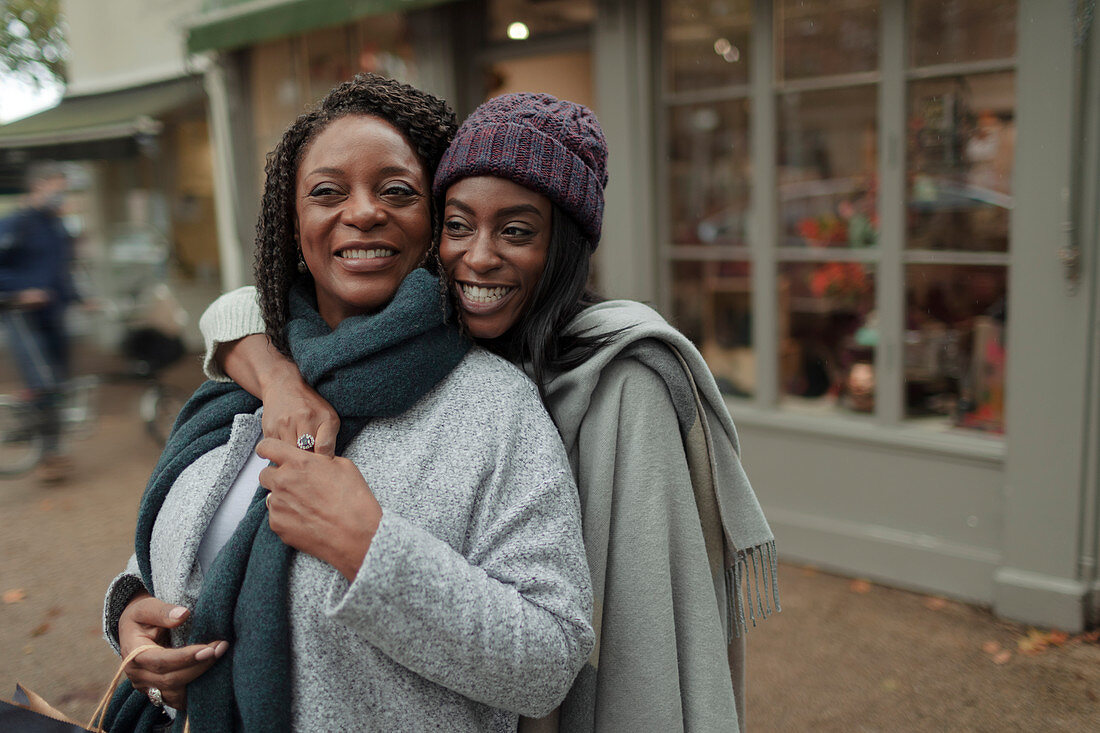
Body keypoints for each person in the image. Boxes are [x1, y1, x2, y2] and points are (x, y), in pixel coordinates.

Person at [199, 92, 776, 732]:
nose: (478, 257)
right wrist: (277, 379)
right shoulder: (367, 350)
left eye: (518, 231)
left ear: (563, 247)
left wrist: (368, 544)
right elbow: (238, 309)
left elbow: (628, 616)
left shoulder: (616, 379)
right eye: (459, 225)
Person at [100, 75, 593, 733]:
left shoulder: (495, 408)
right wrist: (130, 617)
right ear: (293, 220)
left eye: (396, 190)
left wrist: (370, 547)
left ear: (435, 221)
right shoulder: (244, 381)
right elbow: (167, 556)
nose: (362, 212)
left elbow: (549, 660)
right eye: (328, 191)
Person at [0, 161, 78, 482]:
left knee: (58, 384)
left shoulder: (56, 226)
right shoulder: (15, 224)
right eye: (55, 187)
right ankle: (48, 455)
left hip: (54, 315)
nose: (61, 195)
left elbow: (61, 270)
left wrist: (80, 298)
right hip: (22, 316)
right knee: (44, 381)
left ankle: (53, 448)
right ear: (38, 186)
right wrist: (20, 292)